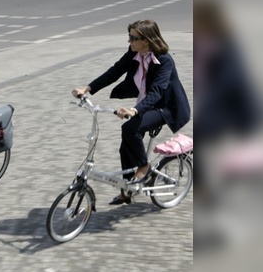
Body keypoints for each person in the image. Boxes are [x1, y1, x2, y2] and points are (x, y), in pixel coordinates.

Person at [72, 19, 191, 205]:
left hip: (166, 107)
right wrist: (87, 88)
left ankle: (144, 166)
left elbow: (157, 92)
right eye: (129, 36)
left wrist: (135, 110)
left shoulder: (165, 60)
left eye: (133, 38)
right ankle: (127, 189)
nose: (129, 41)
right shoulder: (134, 53)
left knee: (130, 129)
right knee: (125, 143)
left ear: (146, 39)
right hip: (147, 104)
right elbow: (114, 72)